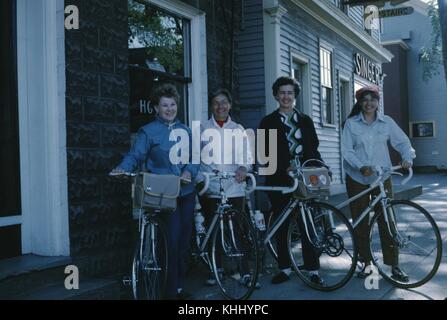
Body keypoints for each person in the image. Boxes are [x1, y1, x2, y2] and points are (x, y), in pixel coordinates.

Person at [111, 83, 199, 299]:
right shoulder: (148, 132)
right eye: (164, 105)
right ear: (156, 108)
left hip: (186, 193)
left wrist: (189, 172)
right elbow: (136, 155)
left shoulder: (186, 131)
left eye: (172, 104)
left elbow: (195, 158)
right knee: (171, 241)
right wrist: (123, 168)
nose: (169, 109)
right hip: (162, 194)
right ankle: (168, 291)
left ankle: (178, 286)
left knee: (184, 241)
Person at [341, 85, 416, 282]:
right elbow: (347, 151)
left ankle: (394, 266)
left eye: (372, 99)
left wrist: (407, 157)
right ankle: (366, 263)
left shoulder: (386, 122)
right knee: (361, 221)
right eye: (365, 99)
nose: (369, 103)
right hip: (358, 178)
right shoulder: (351, 124)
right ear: (359, 102)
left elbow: (403, 143)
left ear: (377, 101)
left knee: (387, 221)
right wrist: (361, 166)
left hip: (382, 177)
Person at [258, 76, 324, 285]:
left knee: (307, 225)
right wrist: (283, 168)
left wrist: (321, 167)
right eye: (282, 93)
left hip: (305, 178)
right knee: (282, 224)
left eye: (290, 93)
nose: (286, 96)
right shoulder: (267, 122)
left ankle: (313, 269)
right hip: (279, 180)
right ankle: (285, 268)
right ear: (276, 95)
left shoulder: (305, 121)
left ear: (295, 96)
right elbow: (264, 156)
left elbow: (313, 148)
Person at [197, 88, 259, 288]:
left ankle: (245, 273)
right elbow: (194, 159)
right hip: (212, 187)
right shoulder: (202, 129)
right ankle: (215, 270)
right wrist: (201, 179)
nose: (220, 106)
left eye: (224, 102)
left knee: (237, 231)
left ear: (230, 105)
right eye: (216, 102)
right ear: (211, 106)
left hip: (234, 187)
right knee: (213, 229)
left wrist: (243, 168)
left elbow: (247, 156)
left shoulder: (238, 129)